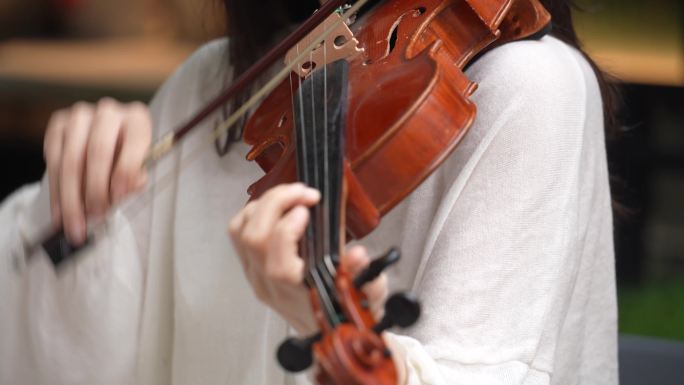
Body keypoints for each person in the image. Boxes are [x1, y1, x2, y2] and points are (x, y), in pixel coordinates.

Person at [0, 0, 618, 384]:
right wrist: (76, 194)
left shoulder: (531, 91)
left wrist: (324, 331)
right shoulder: (223, 87)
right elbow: (64, 342)